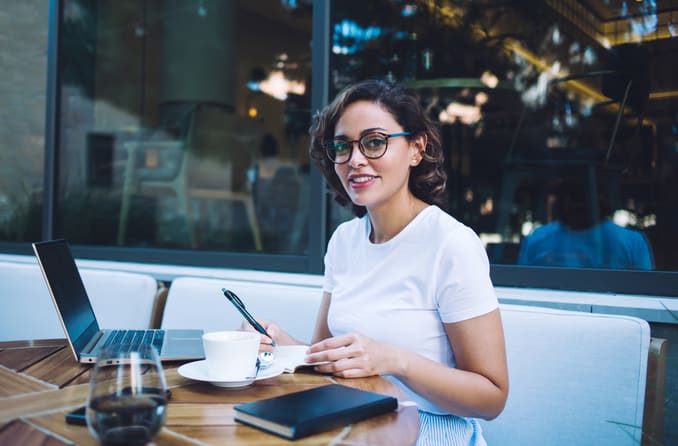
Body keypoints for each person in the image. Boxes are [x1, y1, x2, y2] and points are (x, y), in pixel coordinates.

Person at [246, 80, 508, 446]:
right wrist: (278, 343)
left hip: (430, 429)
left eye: (374, 142)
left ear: (416, 149)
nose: (355, 159)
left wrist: (395, 360)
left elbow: (492, 396)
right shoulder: (344, 242)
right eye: (343, 146)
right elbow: (323, 358)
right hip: (353, 422)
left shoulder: (451, 245)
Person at [518, 177, 654, 270]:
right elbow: (519, 287)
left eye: (582, 196)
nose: (578, 204)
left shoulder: (632, 242)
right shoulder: (537, 239)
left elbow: (647, 295)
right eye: (573, 196)